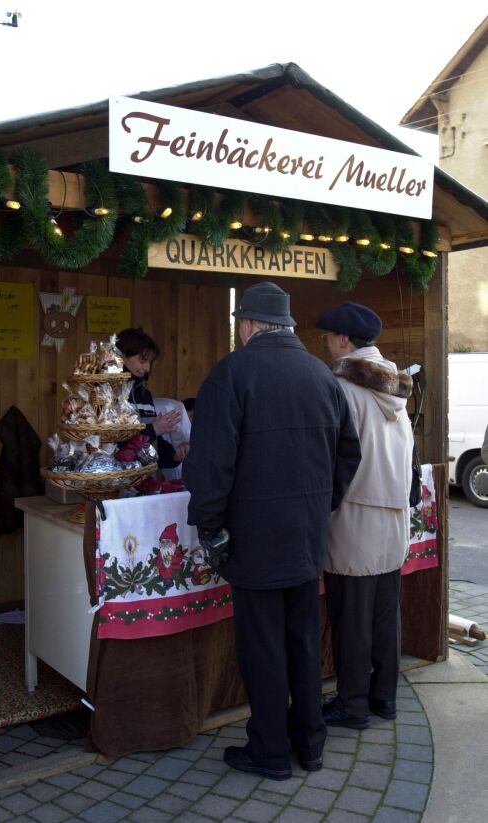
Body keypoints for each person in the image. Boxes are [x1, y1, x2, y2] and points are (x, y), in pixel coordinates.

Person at [183, 282, 361, 781]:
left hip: (253, 539)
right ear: (286, 325)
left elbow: (210, 464)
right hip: (306, 536)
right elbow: (349, 454)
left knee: (262, 646)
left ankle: (270, 751)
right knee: (303, 640)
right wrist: (321, 505)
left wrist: (211, 528)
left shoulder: (232, 373)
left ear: (247, 325)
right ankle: (311, 744)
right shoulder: (323, 378)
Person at [316, 301, 414, 730]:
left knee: (351, 617)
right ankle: (383, 699)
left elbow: (334, 459)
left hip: (355, 513)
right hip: (393, 514)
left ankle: (352, 705)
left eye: (326, 337)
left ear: (343, 340)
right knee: (383, 615)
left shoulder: (341, 387)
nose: (323, 344)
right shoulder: (394, 386)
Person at [116, 328, 189, 468]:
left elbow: (152, 444)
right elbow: (110, 444)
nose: (148, 368)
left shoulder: (144, 393)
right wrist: (153, 429)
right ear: (123, 357)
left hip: (144, 483)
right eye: (143, 361)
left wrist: (173, 455)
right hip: (114, 484)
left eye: (151, 362)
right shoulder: (104, 394)